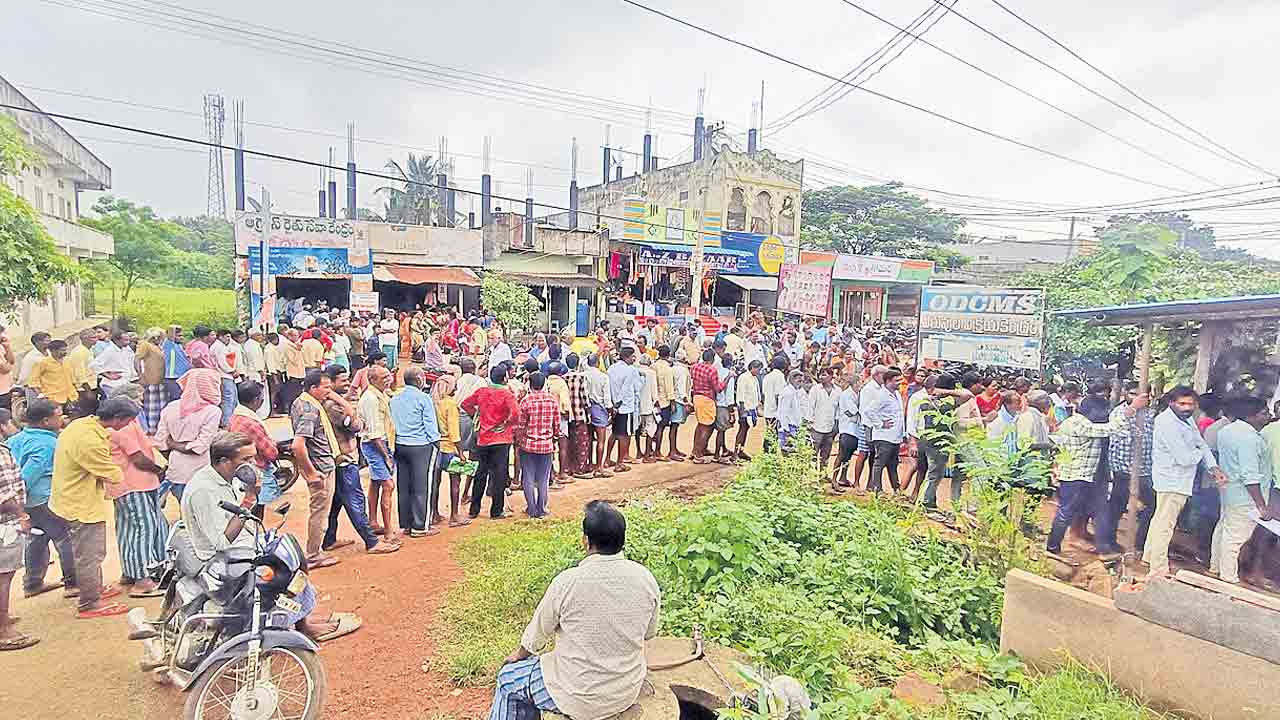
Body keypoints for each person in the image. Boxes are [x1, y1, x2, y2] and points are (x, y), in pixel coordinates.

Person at [487, 501, 660, 720]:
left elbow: (537, 636)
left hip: (579, 695)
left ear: (586, 541)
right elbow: (649, 633)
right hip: (626, 690)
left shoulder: (568, 582)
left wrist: (517, 656)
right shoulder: (645, 578)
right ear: (622, 540)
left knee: (508, 680)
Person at [180, 432, 353, 642]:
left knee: (292, 554)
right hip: (222, 560)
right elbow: (220, 542)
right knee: (286, 570)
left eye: (253, 458)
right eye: (246, 460)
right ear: (224, 461)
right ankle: (301, 625)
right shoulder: (204, 491)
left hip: (240, 545)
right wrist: (250, 498)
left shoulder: (225, 478)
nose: (253, 464)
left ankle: (299, 619)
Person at [50, 397, 140, 619]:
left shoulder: (81, 425)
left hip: (70, 497)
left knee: (87, 551)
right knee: (91, 554)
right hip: (82, 505)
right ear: (117, 419)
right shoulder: (90, 440)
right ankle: (89, 602)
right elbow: (111, 473)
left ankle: (94, 589)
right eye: (128, 421)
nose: (129, 425)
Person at [1045, 390, 1147, 556]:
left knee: (1099, 509)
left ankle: (1104, 547)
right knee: (1066, 512)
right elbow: (1110, 429)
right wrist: (1132, 409)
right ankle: (1052, 547)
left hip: (1085, 476)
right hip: (1075, 477)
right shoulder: (1079, 424)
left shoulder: (1078, 421)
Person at [1143, 387, 1226, 576]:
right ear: (1171, 403)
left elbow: (1201, 443)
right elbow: (1185, 458)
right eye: (1182, 404)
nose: (1187, 407)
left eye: (1190, 404)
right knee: (1166, 524)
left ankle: (1149, 556)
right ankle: (1158, 568)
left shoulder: (1186, 419)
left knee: (1161, 520)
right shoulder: (1166, 422)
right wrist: (1199, 453)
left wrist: (1213, 467)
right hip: (1171, 479)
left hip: (1180, 480)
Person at [322, 366, 395, 554]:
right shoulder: (333, 406)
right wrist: (345, 405)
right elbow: (356, 425)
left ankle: (329, 539)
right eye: (343, 380)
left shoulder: (336, 403)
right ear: (330, 383)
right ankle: (372, 542)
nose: (348, 383)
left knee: (336, 502)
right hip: (344, 459)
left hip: (342, 458)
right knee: (355, 500)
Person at [104, 384, 168, 598]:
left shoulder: (119, 426)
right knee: (144, 527)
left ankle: (130, 572)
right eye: (137, 399)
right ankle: (142, 579)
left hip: (128, 484)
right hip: (135, 484)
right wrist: (159, 469)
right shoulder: (123, 428)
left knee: (127, 529)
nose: (141, 402)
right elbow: (138, 458)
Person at [11, 401, 75, 599]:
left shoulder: (16, 439)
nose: (62, 418)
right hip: (43, 497)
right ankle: (73, 582)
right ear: (46, 421)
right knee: (65, 539)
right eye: (58, 415)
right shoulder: (47, 444)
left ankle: (33, 582)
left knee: (37, 539)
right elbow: (29, 475)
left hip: (28, 501)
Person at [1211, 396, 1274, 585]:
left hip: (1229, 490)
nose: (1269, 415)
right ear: (1251, 416)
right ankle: (1228, 577)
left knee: (1224, 529)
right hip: (1246, 496)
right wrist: (1261, 506)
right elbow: (1250, 475)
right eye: (1264, 412)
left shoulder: (1227, 431)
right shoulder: (1249, 439)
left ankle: (1216, 567)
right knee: (1236, 537)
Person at [290, 370, 341, 566]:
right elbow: (298, 444)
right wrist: (311, 473)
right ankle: (313, 554)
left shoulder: (301, 402)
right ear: (313, 388)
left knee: (320, 510)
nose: (329, 391)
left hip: (321, 464)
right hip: (321, 468)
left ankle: (316, 551)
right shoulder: (310, 409)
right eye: (325, 387)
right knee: (320, 511)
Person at [155, 369, 223, 505]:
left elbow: (161, 442)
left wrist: (174, 447)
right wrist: (186, 446)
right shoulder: (212, 411)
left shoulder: (171, 407)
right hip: (201, 472)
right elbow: (201, 446)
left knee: (185, 510)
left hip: (176, 471)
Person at [0, 414, 39, 650]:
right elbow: (4, 495)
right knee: (4, 576)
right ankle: (4, 631)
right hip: (6, 522)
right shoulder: (1, 454)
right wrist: (22, 515)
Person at [462, 365, 520, 520]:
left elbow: (465, 404)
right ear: (505, 378)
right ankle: (496, 511)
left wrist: (477, 417)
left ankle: (474, 510)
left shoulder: (482, 392)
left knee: (480, 474)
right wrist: (506, 423)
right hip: (501, 439)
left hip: (483, 438)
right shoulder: (507, 394)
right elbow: (516, 414)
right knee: (499, 475)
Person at [357, 366, 399, 542]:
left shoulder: (380, 394)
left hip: (380, 443)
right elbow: (374, 433)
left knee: (375, 483)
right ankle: (389, 533)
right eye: (383, 377)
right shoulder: (371, 399)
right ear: (372, 380)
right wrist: (387, 456)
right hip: (375, 445)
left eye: (388, 375)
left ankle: (373, 522)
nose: (387, 379)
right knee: (388, 485)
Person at [228, 381, 282, 515]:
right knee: (256, 509)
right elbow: (271, 453)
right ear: (256, 400)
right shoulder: (251, 423)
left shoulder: (236, 417)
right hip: (255, 471)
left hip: (240, 470)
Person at [517, 372, 560, 519]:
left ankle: (531, 508)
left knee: (528, 478)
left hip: (528, 445)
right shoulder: (552, 401)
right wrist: (553, 438)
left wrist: (520, 441)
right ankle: (542, 508)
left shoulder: (525, 401)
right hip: (546, 445)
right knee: (543, 478)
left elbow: (521, 426)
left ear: (530, 384)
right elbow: (557, 425)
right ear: (544, 384)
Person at [431, 373, 471, 528]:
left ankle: (434, 513)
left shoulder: (433, 402)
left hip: (435, 448)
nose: (457, 388)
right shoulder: (450, 404)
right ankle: (454, 515)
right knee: (455, 480)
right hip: (449, 447)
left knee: (435, 482)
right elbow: (454, 432)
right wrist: (461, 453)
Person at [864, 368, 905, 495]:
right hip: (884, 436)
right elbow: (869, 411)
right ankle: (877, 489)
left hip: (895, 436)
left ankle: (896, 489)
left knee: (893, 464)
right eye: (896, 381)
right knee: (880, 463)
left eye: (900, 380)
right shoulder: (882, 395)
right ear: (888, 381)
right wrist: (880, 424)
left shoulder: (896, 394)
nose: (899, 383)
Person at [606, 347, 644, 471]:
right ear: (627, 357)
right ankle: (619, 463)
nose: (634, 359)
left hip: (614, 405)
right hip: (625, 406)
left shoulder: (611, 368)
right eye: (633, 356)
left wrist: (613, 404)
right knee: (624, 435)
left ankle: (607, 459)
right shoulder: (630, 370)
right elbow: (628, 388)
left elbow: (610, 386)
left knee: (614, 433)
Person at [688, 349, 725, 464]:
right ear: (712, 359)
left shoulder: (694, 367)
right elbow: (718, 388)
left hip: (697, 397)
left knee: (700, 426)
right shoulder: (712, 370)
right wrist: (727, 379)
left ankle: (695, 451)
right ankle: (698, 454)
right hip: (707, 399)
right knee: (706, 427)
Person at [563, 354, 594, 478]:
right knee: (581, 442)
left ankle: (569, 467)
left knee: (569, 442)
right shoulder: (580, 377)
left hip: (567, 415)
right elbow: (585, 398)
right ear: (577, 364)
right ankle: (580, 468)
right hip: (579, 413)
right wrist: (589, 411)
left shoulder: (563, 378)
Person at [27, 339, 76, 415]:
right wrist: (41, 395)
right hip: (52, 398)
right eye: (62, 350)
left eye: (65, 350)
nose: (65, 352)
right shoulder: (43, 363)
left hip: (70, 397)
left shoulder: (67, 361)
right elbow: (33, 381)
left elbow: (72, 379)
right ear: (53, 351)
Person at [808, 369, 839, 480]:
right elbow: (810, 406)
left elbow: (838, 410)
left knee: (826, 453)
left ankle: (823, 474)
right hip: (816, 426)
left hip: (830, 427)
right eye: (821, 374)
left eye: (824, 375)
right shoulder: (815, 390)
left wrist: (836, 425)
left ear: (831, 376)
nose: (821, 377)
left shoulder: (838, 391)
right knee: (813, 452)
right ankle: (812, 475)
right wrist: (810, 422)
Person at [89, 331, 137, 401]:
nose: (128, 342)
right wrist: (107, 375)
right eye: (125, 340)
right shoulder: (110, 351)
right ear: (117, 340)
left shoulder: (126, 349)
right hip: (111, 385)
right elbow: (93, 365)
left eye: (128, 340)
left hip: (123, 384)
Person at [134, 329, 166, 433]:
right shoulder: (145, 345)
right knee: (151, 407)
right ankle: (150, 430)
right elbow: (137, 359)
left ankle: (158, 430)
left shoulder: (158, 347)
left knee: (159, 407)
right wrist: (140, 376)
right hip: (150, 380)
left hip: (159, 381)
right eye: (159, 337)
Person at [834, 375, 862, 490]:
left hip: (855, 429)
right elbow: (853, 412)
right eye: (860, 382)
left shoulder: (857, 395)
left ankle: (843, 477)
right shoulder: (846, 395)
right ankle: (834, 479)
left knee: (848, 456)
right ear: (855, 383)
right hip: (847, 429)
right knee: (841, 455)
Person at [735, 360, 762, 463]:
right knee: (742, 430)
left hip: (751, 408)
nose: (759, 371)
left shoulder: (754, 378)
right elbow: (740, 395)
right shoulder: (743, 378)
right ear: (753, 368)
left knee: (746, 429)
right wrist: (742, 411)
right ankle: (735, 453)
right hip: (744, 408)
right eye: (758, 369)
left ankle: (741, 450)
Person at [67, 328, 98, 417]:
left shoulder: (89, 350)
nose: (95, 340)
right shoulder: (79, 352)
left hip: (92, 385)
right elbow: (79, 374)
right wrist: (88, 391)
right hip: (84, 389)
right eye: (92, 338)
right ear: (84, 339)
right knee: (85, 414)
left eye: (96, 337)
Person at [667, 350, 691, 461]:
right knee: (674, 426)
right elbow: (682, 389)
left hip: (674, 398)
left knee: (674, 426)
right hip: (679, 400)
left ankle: (674, 449)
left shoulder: (672, 368)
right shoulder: (682, 370)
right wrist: (686, 402)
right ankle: (672, 451)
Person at [760, 356, 788, 450]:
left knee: (770, 431)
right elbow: (778, 395)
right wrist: (780, 411)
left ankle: (767, 452)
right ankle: (769, 452)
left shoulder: (767, 376)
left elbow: (763, 393)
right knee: (773, 433)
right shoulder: (779, 376)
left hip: (768, 408)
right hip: (775, 410)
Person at [775, 370, 806, 449]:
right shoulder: (788, 393)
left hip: (794, 426)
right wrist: (786, 430)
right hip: (788, 427)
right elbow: (783, 412)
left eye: (802, 381)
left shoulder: (795, 391)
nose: (801, 383)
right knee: (787, 453)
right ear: (792, 379)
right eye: (799, 380)